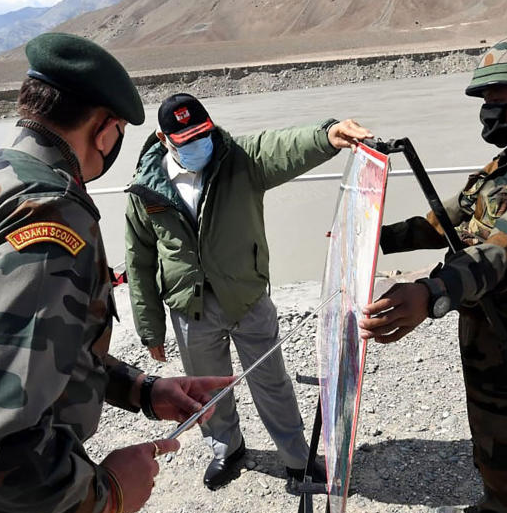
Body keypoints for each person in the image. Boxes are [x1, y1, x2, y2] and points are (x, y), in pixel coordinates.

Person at [0, 33, 232, 513]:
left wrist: (141, 390)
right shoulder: (49, 217)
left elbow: (18, 351)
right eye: (117, 133)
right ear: (105, 129)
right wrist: (106, 495)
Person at [358, 32, 507, 513]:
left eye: (498, 101)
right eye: (485, 101)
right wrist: (373, 237)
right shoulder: (505, 168)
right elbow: (447, 220)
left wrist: (431, 292)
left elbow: (501, 255)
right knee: (488, 429)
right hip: (486, 324)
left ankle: (504, 512)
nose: (487, 112)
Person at [124, 93, 372, 490]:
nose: (198, 145)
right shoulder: (145, 189)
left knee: (272, 382)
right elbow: (139, 260)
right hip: (191, 310)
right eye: (186, 139)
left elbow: (285, 147)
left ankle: (297, 461)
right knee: (207, 389)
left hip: (247, 297)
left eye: (203, 134)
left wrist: (328, 134)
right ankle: (227, 449)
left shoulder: (240, 159)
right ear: (163, 138)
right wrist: (149, 327)